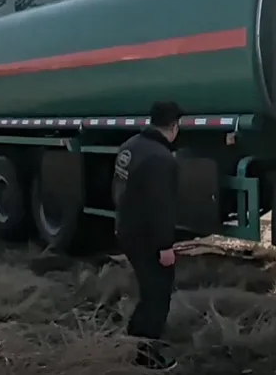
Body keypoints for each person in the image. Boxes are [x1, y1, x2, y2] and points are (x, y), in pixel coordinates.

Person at [113, 101, 183, 371]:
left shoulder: (130, 146)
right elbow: (161, 208)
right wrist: (166, 246)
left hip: (128, 231)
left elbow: (118, 189)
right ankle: (146, 355)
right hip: (148, 239)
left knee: (148, 292)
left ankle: (132, 340)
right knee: (157, 296)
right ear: (174, 126)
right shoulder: (161, 159)